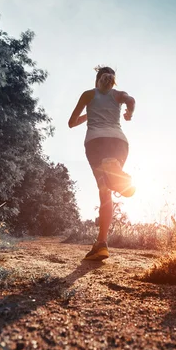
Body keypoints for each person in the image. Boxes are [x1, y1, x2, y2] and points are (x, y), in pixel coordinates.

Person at [68, 66, 136, 261]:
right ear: (113, 80)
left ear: (96, 79)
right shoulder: (118, 95)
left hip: (97, 143)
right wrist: (129, 113)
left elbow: (71, 123)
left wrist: (89, 114)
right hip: (119, 142)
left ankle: (110, 166)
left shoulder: (88, 95)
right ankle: (101, 243)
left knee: (104, 191)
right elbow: (131, 100)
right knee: (107, 189)